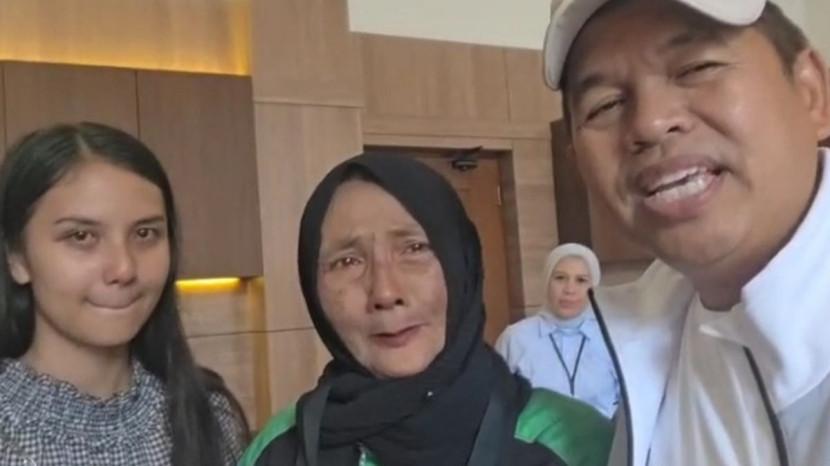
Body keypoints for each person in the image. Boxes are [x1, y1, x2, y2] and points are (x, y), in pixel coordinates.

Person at [543, 0, 830, 464]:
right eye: (605, 105)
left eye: (697, 68)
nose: (650, 123)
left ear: (811, 91)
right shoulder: (650, 347)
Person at [240, 153, 612, 466]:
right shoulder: (281, 450)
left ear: (461, 265)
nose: (385, 292)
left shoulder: (575, 443)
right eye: (348, 261)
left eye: (414, 248)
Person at [0, 122, 249, 465]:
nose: (124, 268)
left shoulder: (208, 417)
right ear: (16, 258)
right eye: (81, 236)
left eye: (145, 233)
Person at [496, 243, 619, 418]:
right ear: (547, 281)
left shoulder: (612, 339)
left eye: (581, 280)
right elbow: (497, 404)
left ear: (594, 286)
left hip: (603, 435)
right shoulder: (516, 338)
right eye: (560, 278)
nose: (569, 289)